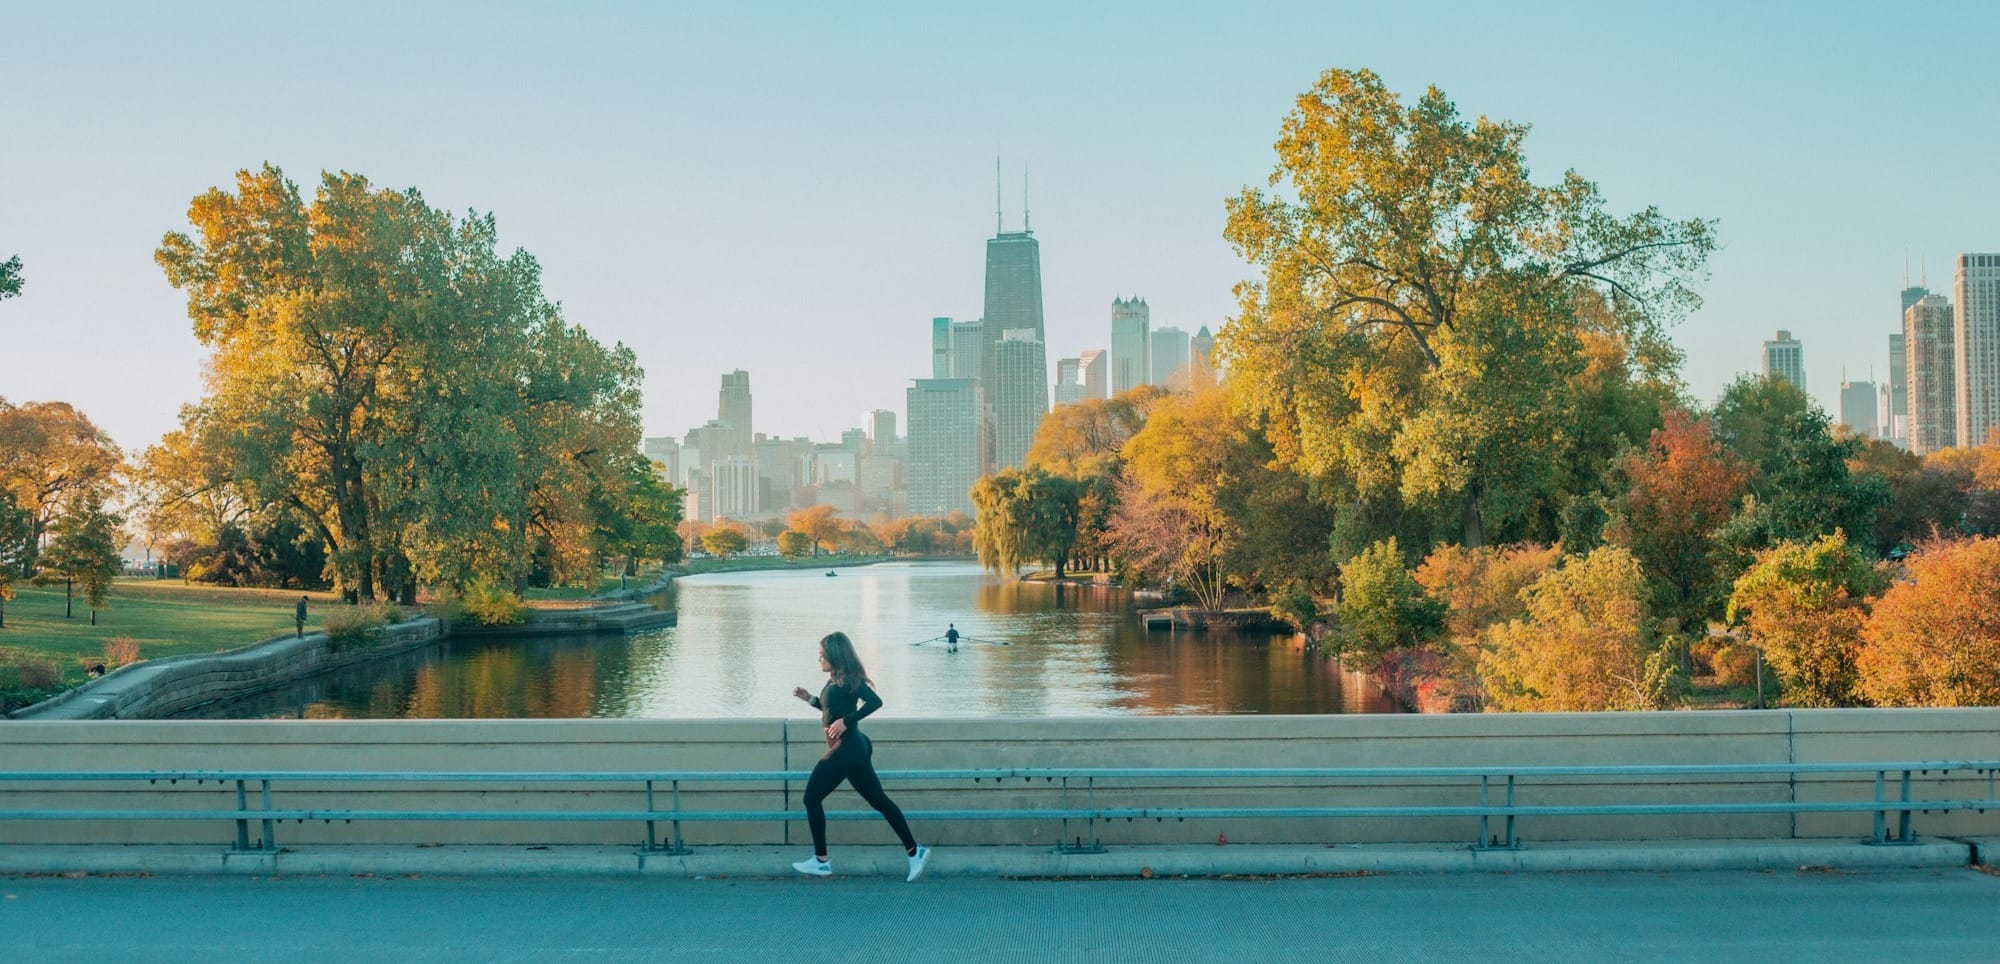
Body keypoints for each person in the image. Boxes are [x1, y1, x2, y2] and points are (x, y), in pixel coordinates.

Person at [790, 631, 929, 881]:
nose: (818, 658)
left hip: (849, 746)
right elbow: (832, 710)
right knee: (879, 800)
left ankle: (821, 861)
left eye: (822, 654)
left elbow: (875, 702)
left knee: (811, 797)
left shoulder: (846, 679)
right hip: (854, 746)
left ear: (834, 654)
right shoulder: (835, 680)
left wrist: (848, 721)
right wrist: (810, 699)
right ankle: (914, 851)